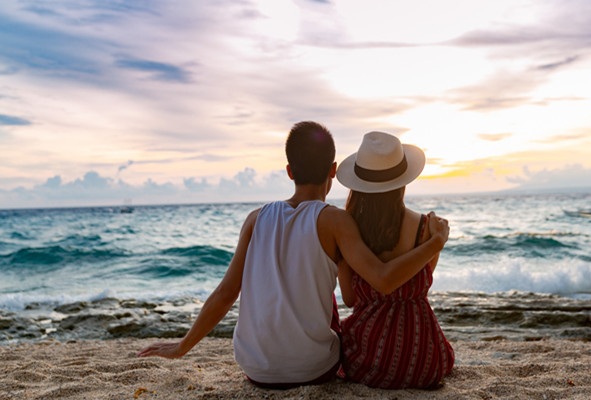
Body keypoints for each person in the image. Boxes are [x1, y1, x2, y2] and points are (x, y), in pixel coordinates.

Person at [137, 122, 450, 389]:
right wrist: (435, 242)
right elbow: (380, 279)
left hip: (255, 369)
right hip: (314, 371)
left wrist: (183, 346)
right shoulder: (336, 221)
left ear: (289, 171)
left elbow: (225, 293)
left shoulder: (255, 219)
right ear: (333, 170)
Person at [335, 131, 454, 389]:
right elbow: (423, 283)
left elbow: (350, 299)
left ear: (359, 186)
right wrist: (436, 243)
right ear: (403, 182)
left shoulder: (348, 230)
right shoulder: (427, 228)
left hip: (369, 360)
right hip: (424, 358)